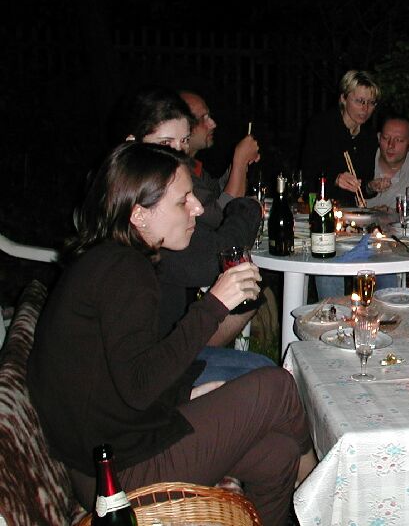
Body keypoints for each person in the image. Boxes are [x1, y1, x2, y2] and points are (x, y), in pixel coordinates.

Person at [27, 142, 316, 524]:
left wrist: (185, 394)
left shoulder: (108, 259)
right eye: (183, 201)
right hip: (118, 474)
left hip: (112, 448)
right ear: (139, 215)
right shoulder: (125, 272)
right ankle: (324, 493)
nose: (197, 208)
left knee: (276, 453)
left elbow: (113, 376)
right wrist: (214, 304)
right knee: (276, 387)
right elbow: (138, 385)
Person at [119, 87, 271, 380]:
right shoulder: (138, 210)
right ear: (132, 145)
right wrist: (248, 207)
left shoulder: (180, 181)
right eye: (166, 143)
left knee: (266, 369)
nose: (179, 154)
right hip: (154, 371)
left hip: (167, 357)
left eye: (184, 141)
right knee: (270, 379)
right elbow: (214, 256)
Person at [179, 89, 261, 230]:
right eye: (203, 118)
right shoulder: (173, 172)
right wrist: (239, 162)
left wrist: (239, 164)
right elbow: (221, 217)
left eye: (209, 116)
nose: (212, 124)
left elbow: (218, 193)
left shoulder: (192, 165)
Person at [300, 70, 380, 206]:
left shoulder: (369, 136)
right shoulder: (322, 126)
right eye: (359, 101)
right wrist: (336, 179)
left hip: (350, 210)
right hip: (319, 206)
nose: (365, 108)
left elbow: (362, 186)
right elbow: (308, 176)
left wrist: (370, 187)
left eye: (371, 103)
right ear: (343, 98)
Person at [366, 115, 409, 217]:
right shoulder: (361, 160)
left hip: (401, 227)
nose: (391, 145)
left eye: (399, 140)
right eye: (386, 138)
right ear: (379, 138)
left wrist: (390, 214)